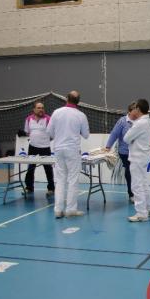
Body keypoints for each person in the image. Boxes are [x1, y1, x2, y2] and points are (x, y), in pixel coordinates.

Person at [46, 91, 90, 219]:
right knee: (73, 179)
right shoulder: (81, 115)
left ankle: (58, 210)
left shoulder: (56, 112)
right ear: (78, 101)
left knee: (60, 180)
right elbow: (86, 135)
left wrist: (60, 135)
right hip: (72, 150)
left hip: (58, 149)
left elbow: (49, 132)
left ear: (66, 99)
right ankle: (71, 209)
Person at [124, 99, 150, 222]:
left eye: (135, 108)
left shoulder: (139, 123)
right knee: (143, 184)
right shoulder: (147, 121)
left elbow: (126, 138)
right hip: (143, 156)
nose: (133, 110)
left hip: (137, 157)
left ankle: (141, 213)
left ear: (138, 109)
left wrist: (132, 139)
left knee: (136, 186)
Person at [105, 102, 136, 203]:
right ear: (129, 111)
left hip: (137, 151)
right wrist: (108, 146)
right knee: (129, 170)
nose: (137, 112)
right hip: (124, 152)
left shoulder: (139, 121)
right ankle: (131, 194)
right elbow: (114, 134)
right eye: (135, 110)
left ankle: (137, 192)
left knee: (135, 172)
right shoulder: (122, 121)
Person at [23, 101, 55, 196]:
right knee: (30, 168)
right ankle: (29, 188)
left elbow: (53, 134)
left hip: (45, 148)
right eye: (39, 108)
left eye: (42, 108)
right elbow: (27, 132)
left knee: (48, 169)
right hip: (32, 147)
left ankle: (51, 189)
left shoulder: (48, 119)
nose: (41, 109)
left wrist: (44, 140)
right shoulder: (29, 119)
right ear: (34, 109)